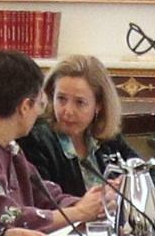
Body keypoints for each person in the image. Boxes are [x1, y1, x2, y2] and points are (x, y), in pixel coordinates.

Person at [0, 49, 95, 234]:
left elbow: (45, 196)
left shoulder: (8, 144)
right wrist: (78, 212)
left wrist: (93, 204)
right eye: (40, 104)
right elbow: (5, 216)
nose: (40, 113)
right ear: (25, 106)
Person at [20, 56, 135, 200]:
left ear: (98, 105)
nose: (68, 111)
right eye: (61, 99)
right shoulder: (36, 139)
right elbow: (41, 202)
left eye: (80, 102)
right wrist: (91, 204)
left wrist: (128, 185)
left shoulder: (107, 138)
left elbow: (154, 177)